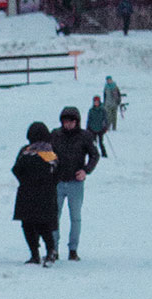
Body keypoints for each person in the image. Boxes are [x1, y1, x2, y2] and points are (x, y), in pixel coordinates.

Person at [49, 106, 99, 261]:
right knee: (54, 216)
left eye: (71, 122)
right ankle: (53, 249)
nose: (68, 124)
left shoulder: (85, 136)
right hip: (57, 181)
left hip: (75, 183)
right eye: (65, 121)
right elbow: (47, 153)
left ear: (77, 122)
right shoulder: (55, 135)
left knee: (75, 217)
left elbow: (94, 155)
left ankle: (73, 249)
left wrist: (86, 170)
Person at [11, 122, 59, 266]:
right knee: (43, 224)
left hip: (27, 193)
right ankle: (49, 250)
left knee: (29, 224)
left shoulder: (25, 151)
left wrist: (26, 181)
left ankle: (35, 254)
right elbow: (57, 173)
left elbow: (16, 170)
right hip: (45, 194)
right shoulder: (50, 153)